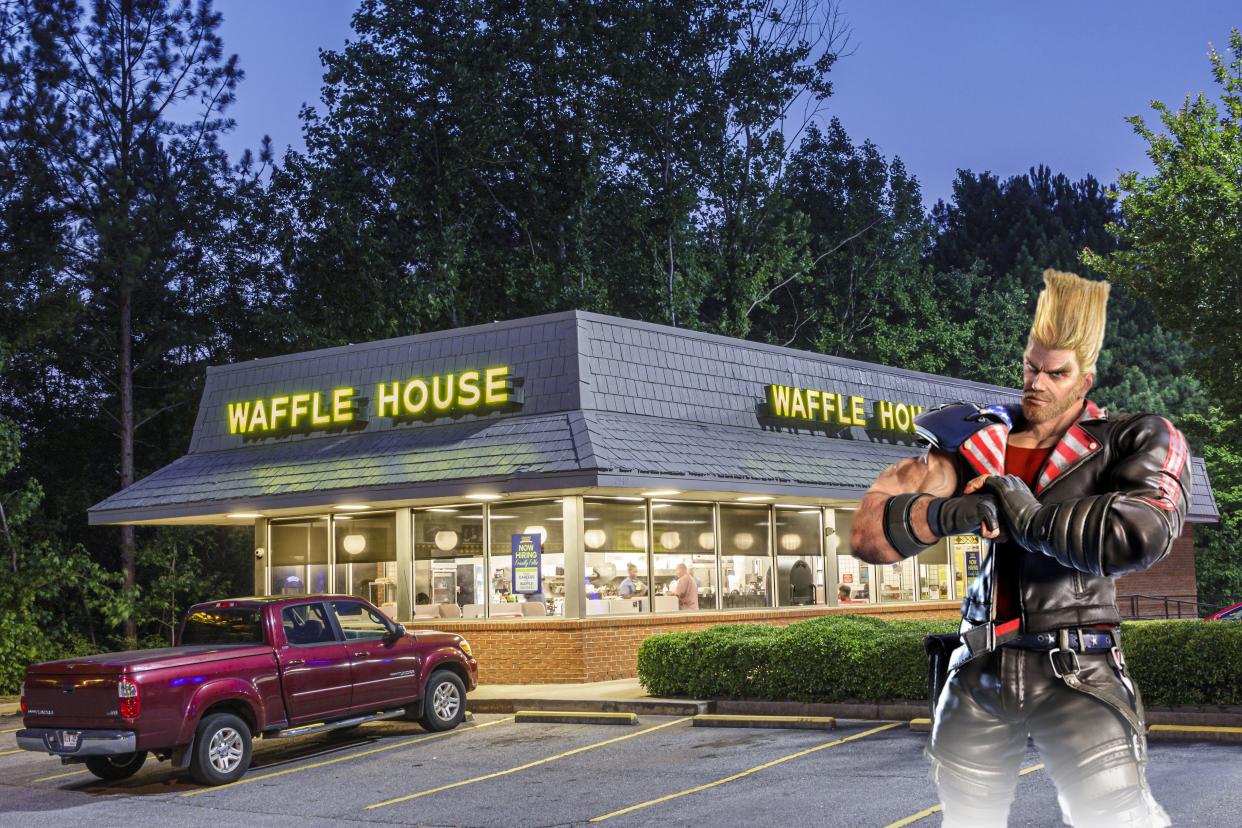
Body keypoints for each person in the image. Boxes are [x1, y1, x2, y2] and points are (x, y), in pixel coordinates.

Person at [851, 270, 1189, 828]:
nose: (1037, 382)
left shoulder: (1131, 438)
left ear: (1086, 379)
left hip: (1077, 667)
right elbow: (867, 534)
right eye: (1032, 366)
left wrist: (1025, 514)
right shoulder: (976, 442)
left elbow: (1139, 533)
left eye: (1056, 373)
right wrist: (948, 512)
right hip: (979, 668)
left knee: (1114, 818)